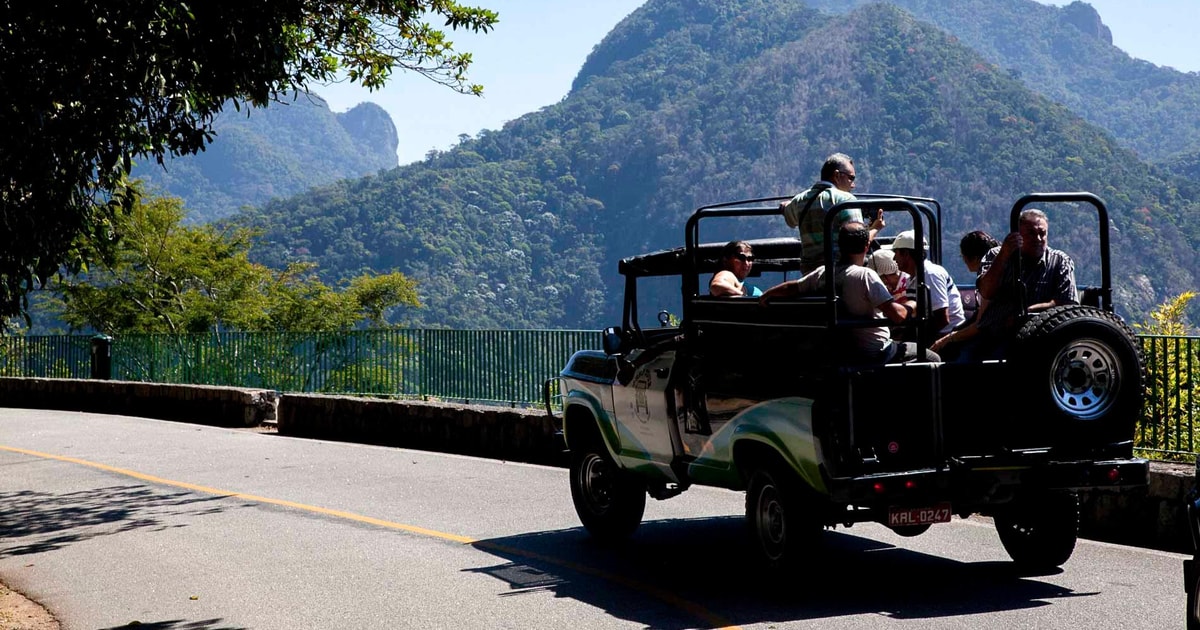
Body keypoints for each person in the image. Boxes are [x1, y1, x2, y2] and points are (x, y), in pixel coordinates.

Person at [760, 222, 939, 365]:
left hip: (841, 352)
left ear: (840, 246)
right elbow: (898, 316)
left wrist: (767, 294)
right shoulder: (864, 275)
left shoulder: (823, 272)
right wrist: (914, 303)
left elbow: (793, 287)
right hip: (876, 351)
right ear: (867, 245)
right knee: (933, 359)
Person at [965, 209, 1077, 359]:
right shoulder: (995, 255)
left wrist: (1027, 314)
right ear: (1017, 236)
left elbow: (1067, 303)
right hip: (993, 338)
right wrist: (1004, 255)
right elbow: (986, 291)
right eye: (1031, 233)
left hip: (1042, 339)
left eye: (1042, 234)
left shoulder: (1060, 261)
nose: (1038, 239)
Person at [780, 153, 885, 273]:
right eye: (851, 178)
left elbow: (790, 218)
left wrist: (785, 206)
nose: (853, 185)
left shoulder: (799, 201)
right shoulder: (846, 200)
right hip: (839, 274)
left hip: (809, 275)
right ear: (836, 175)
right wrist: (875, 228)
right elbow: (859, 245)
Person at [931, 230, 999, 355]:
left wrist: (949, 338)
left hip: (991, 336)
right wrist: (956, 331)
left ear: (973, 258)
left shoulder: (988, 281)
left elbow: (980, 324)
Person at [890, 229, 965, 341]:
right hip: (934, 332)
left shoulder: (930, 274)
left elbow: (942, 319)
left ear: (906, 253)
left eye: (896, 253)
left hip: (946, 335)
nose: (894, 258)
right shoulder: (913, 278)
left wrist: (917, 340)